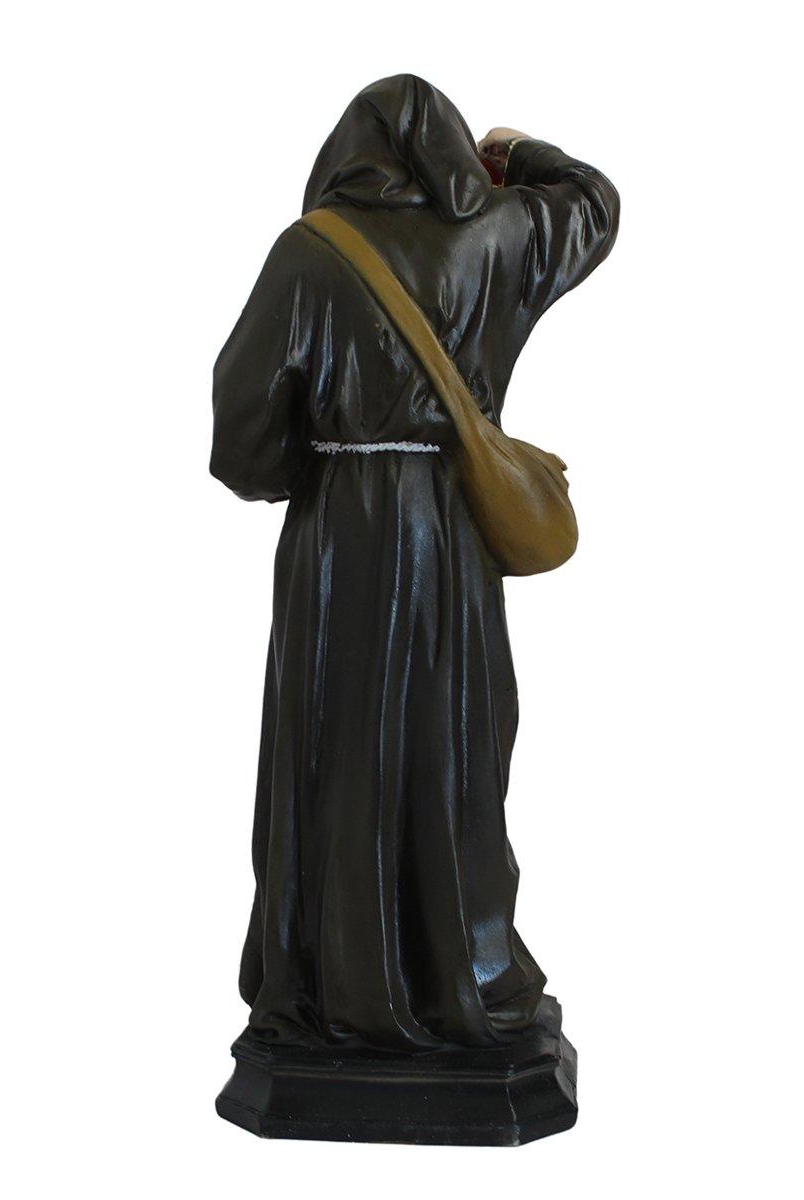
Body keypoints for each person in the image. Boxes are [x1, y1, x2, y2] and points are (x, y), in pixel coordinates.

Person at [210, 74, 619, 1052]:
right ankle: (463, 968)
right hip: (455, 533)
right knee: (454, 747)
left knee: (339, 745)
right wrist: (511, 155)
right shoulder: (499, 236)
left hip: (341, 538)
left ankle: (331, 980)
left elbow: (241, 440)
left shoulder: (310, 251)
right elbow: (595, 203)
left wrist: (312, 466)